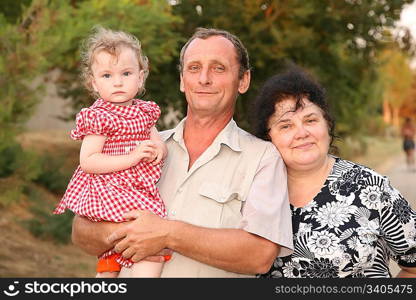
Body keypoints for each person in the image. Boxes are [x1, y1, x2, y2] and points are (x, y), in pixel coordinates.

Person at [71, 27, 293, 277]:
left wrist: (167, 233)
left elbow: (259, 256)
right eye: (194, 68)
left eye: (218, 68)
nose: (203, 79)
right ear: (181, 80)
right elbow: (81, 231)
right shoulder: (140, 146)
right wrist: (129, 232)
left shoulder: (263, 158)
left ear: (243, 81)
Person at [251, 67, 416, 278]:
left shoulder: (372, 188)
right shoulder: (254, 190)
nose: (302, 133)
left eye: (310, 120)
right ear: (268, 138)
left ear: (327, 125)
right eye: (286, 126)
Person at [54, 26, 168, 278]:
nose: (117, 82)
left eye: (126, 73)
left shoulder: (144, 111)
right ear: (93, 83)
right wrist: (133, 157)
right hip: (110, 191)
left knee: (142, 242)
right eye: (107, 75)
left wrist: (159, 147)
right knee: (139, 242)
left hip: (137, 189)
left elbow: (156, 138)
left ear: (141, 77)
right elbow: (89, 161)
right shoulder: (100, 116)